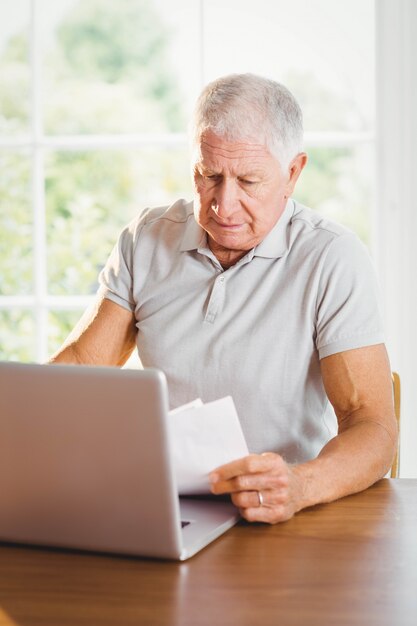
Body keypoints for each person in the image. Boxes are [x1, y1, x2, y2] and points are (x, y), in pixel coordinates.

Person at [50, 73, 397, 524]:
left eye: (249, 181)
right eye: (209, 175)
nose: (223, 205)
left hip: (287, 515)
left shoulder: (332, 256)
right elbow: (81, 368)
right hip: (165, 507)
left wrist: (300, 486)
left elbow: (372, 424)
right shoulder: (148, 238)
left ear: (293, 173)